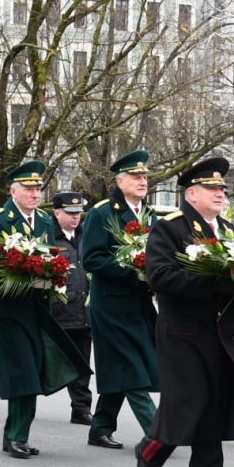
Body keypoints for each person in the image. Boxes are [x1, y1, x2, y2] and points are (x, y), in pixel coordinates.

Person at [133, 157, 234, 467]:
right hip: (182, 333)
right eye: (211, 188)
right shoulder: (171, 228)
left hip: (221, 334)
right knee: (189, 403)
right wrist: (217, 285)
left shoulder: (229, 230)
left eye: (222, 188)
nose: (220, 193)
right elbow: (161, 277)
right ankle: (149, 453)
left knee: (215, 406)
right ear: (192, 193)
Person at [0, 160, 90, 459]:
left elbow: (51, 257)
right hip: (10, 307)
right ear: (13, 191)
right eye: (28, 189)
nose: (35, 194)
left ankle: (17, 436)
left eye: (38, 188)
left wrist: (53, 274)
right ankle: (16, 435)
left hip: (39, 305)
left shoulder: (42, 220)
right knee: (22, 372)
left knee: (36, 370)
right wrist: (18, 270)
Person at [78, 150, 161, 450]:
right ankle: (158, 434)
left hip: (139, 303)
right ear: (120, 181)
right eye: (136, 177)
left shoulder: (150, 215)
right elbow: (91, 259)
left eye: (145, 177)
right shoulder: (102, 212)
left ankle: (100, 427)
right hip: (111, 304)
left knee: (123, 365)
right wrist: (133, 270)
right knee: (130, 367)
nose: (142, 181)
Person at [48, 190, 93, 425]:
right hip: (60, 310)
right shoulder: (49, 237)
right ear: (57, 213)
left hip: (84, 311)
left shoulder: (87, 235)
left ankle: (81, 408)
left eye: (78, 212)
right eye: (70, 212)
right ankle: (26, 400)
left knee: (82, 362)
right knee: (49, 361)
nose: (76, 216)